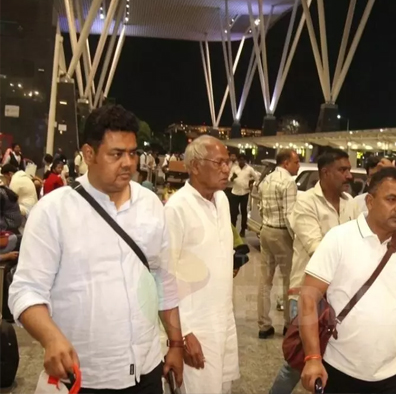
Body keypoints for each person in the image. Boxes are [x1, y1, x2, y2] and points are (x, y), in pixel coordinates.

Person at [8, 104, 184, 393]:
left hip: (147, 368)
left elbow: (163, 279)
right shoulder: (54, 211)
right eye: (116, 154)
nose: (128, 163)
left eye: (133, 153)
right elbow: (26, 290)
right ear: (89, 154)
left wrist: (176, 343)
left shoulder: (151, 204)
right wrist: (50, 337)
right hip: (86, 376)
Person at [299, 167, 396, 394]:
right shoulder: (339, 239)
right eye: (391, 199)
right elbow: (308, 299)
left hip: (393, 373)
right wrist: (313, 358)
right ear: (370, 201)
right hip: (340, 369)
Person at [269, 149, 360, 394]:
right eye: (343, 170)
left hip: (340, 296)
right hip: (307, 295)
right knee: (299, 362)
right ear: (325, 172)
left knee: (333, 361)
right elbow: (317, 250)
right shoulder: (305, 202)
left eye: (349, 169)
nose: (349, 175)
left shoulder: (351, 204)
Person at [164, 135, 239, 394]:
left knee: (223, 388)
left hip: (223, 319)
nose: (227, 169)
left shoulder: (222, 200)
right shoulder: (177, 208)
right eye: (219, 163)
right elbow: (165, 276)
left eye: (228, 162)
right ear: (195, 166)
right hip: (195, 326)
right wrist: (183, 334)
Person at [257, 149, 300, 339]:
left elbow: (260, 207)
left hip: (266, 230)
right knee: (288, 280)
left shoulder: (266, 179)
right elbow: (290, 215)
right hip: (282, 234)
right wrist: (296, 238)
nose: (298, 165)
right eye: (296, 162)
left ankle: (264, 325)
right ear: (286, 163)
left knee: (265, 281)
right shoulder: (288, 182)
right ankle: (288, 324)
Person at [229, 154, 259, 237]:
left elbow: (256, 178)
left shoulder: (249, 169)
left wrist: (252, 183)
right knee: (233, 213)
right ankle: (233, 230)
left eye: (243, 160)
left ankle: (243, 230)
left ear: (245, 160)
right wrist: (232, 178)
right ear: (238, 160)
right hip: (235, 192)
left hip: (245, 193)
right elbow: (229, 179)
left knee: (244, 211)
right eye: (240, 160)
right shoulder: (234, 168)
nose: (241, 161)